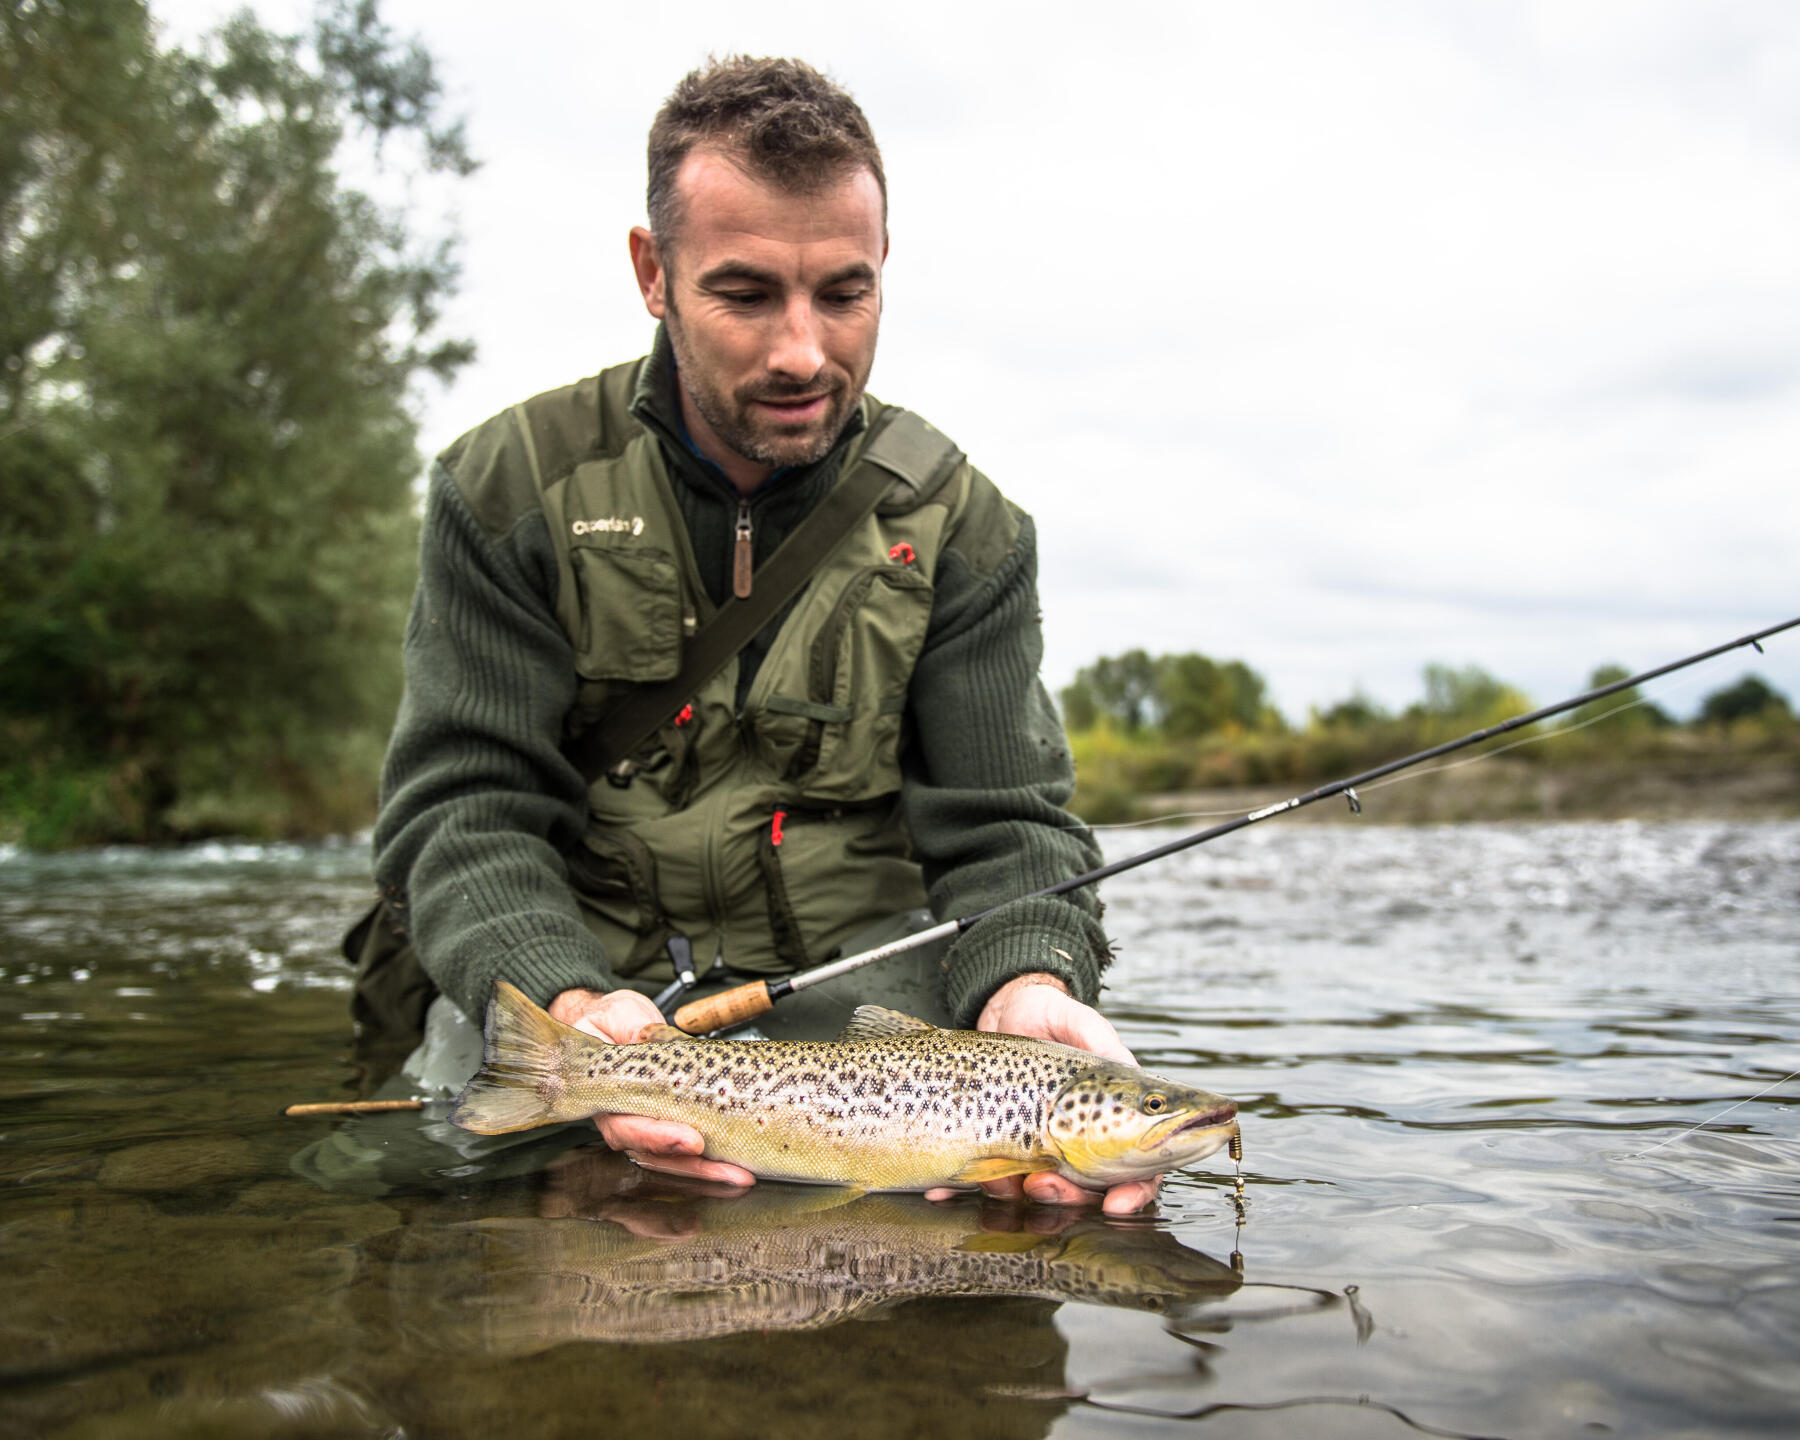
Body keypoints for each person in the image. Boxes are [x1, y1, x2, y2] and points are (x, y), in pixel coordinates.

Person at [363, 56, 1160, 1214]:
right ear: (653, 273)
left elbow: (1007, 831)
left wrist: (1026, 980)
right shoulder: (509, 489)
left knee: (1014, 1243)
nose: (802, 352)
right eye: (745, 294)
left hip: (862, 1008)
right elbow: (464, 810)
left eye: (845, 294)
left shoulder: (965, 527)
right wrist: (568, 1004)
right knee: (410, 1200)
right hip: (579, 978)